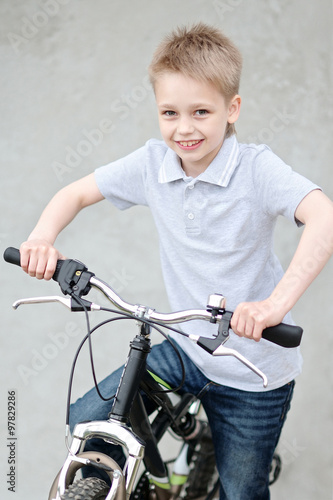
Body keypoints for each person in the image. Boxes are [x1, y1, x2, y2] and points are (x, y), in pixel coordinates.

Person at [19, 23, 333, 499]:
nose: (184, 128)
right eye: (170, 112)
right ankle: (167, 472)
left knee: (242, 490)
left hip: (254, 372)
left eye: (201, 112)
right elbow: (77, 191)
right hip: (188, 349)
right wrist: (42, 238)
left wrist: (273, 305)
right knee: (86, 419)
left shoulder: (255, 170)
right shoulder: (152, 164)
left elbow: (323, 217)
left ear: (232, 110)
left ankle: (205, 455)